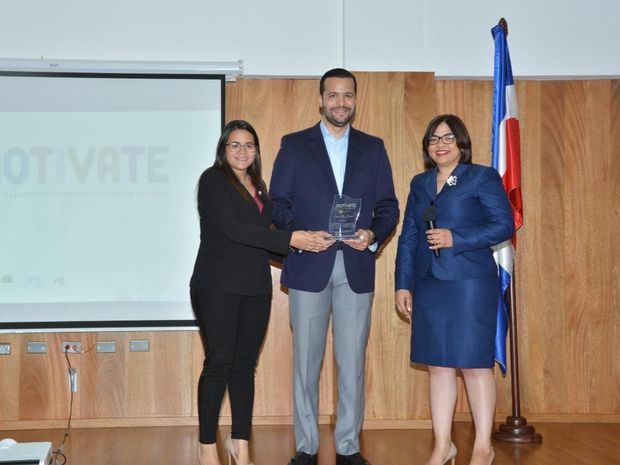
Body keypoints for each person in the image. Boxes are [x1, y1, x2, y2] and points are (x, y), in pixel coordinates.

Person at [270, 68, 399, 465]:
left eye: (348, 96)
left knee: (352, 364)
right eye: (333, 95)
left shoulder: (373, 148)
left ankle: (348, 446)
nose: (341, 102)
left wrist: (372, 235)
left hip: (356, 266)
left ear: (355, 100)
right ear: (321, 99)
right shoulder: (293, 146)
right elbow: (278, 203)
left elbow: (389, 207)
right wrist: (300, 235)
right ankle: (306, 447)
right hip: (310, 265)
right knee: (305, 365)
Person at [190, 120, 325, 465]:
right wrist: (291, 239)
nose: (242, 151)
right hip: (216, 285)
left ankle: (241, 445)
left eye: (249, 145)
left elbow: (263, 240)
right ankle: (207, 447)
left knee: (244, 367)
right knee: (219, 363)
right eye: (234, 145)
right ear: (223, 149)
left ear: (256, 151)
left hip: (254, 287)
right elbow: (235, 231)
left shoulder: (259, 186)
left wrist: (307, 247)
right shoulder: (212, 180)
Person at [394, 114, 515, 465]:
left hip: (470, 283)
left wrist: (456, 238)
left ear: (461, 144)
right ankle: (443, 445)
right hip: (429, 282)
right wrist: (403, 284)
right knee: (438, 367)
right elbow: (409, 237)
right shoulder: (420, 183)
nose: (440, 145)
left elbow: (503, 225)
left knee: (476, 365)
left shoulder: (481, 177)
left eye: (447, 138)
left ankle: (482, 446)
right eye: (433, 139)